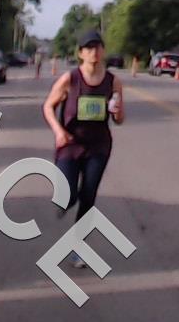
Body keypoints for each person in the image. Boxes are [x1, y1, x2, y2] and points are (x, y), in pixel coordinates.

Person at [42, 32, 123, 261]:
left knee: (89, 196)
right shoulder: (70, 79)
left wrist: (117, 112)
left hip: (98, 146)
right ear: (80, 53)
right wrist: (59, 132)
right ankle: (65, 201)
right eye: (88, 48)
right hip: (70, 144)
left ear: (103, 51)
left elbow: (119, 118)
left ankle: (78, 248)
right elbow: (48, 106)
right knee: (68, 196)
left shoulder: (113, 81)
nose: (93, 52)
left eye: (97, 47)